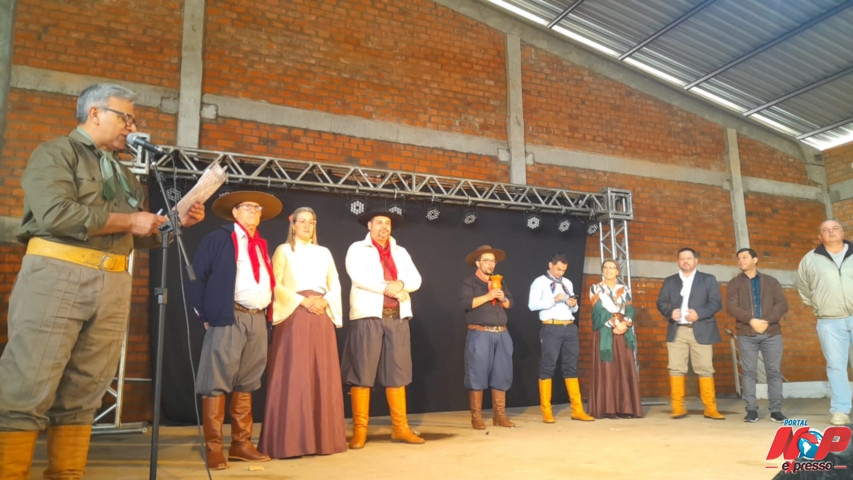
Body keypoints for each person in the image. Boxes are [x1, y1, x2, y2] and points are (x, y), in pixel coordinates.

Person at [0, 83, 204, 479]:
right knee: (28, 383)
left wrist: (175, 223)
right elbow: (56, 214)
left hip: (112, 283)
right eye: (126, 117)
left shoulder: (124, 173)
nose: (133, 127)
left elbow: (132, 235)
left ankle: (67, 474)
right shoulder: (56, 153)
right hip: (57, 276)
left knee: (86, 390)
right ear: (95, 113)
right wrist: (129, 220)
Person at [189, 190, 282, 470]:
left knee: (248, 381)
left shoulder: (260, 244)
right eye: (247, 207)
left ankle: (241, 444)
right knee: (216, 380)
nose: (254, 211)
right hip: (229, 316)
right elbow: (197, 277)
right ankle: (213, 447)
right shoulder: (218, 239)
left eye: (257, 208)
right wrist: (205, 313)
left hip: (257, 318)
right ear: (235, 212)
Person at [258, 207, 347, 458]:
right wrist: (302, 301)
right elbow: (275, 283)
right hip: (294, 315)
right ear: (293, 225)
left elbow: (335, 283)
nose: (307, 226)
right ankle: (291, 442)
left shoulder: (324, 252)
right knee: (295, 374)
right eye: (302, 222)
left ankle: (323, 440)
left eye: (311, 222)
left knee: (321, 373)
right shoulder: (283, 250)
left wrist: (325, 300)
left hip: (320, 315)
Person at [340, 208, 424, 448]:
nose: (384, 227)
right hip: (368, 317)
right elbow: (358, 277)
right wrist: (392, 288)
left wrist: (401, 283)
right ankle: (359, 431)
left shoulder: (401, 252)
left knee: (397, 372)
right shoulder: (357, 248)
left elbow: (416, 279)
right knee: (362, 372)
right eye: (379, 222)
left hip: (397, 317)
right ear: (369, 225)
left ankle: (400, 428)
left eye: (387, 223)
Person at [656, 247, 725, 420]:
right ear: (678, 262)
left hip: (701, 328)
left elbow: (716, 303)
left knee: (705, 368)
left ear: (696, 261)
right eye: (682, 259)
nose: (685, 261)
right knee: (676, 368)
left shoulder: (708, 279)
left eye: (688, 258)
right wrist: (669, 312)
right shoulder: (670, 281)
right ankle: (678, 407)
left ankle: (710, 408)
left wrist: (699, 314)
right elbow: (661, 302)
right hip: (677, 330)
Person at [797, 220, 853, 426]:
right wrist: (821, 305)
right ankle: (840, 410)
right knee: (836, 367)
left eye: (835, 228)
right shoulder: (810, 259)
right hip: (829, 321)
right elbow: (803, 288)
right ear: (820, 236)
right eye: (825, 230)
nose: (831, 232)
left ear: (843, 232)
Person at [528, 252, 594, 423]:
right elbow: (532, 305)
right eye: (558, 269)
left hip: (570, 327)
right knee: (548, 366)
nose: (561, 273)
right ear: (550, 265)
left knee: (571, 367)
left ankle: (577, 410)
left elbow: (573, 308)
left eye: (564, 270)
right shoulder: (539, 282)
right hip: (551, 327)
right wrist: (554, 299)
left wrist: (573, 304)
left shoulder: (567, 283)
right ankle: (547, 411)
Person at [727, 248, 788, 423]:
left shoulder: (771, 281)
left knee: (774, 372)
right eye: (738, 258)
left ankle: (776, 410)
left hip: (772, 333)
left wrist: (766, 321)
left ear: (755, 260)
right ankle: (751, 410)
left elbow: (781, 304)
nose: (740, 260)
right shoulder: (734, 283)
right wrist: (751, 320)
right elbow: (731, 307)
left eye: (744, 257)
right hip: (746, 334)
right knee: (748, 373)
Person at [460, 245, 516, 429]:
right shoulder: (469, 281)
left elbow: (510, 304)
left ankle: (499, 416)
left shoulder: (499, 281)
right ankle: (476, 417)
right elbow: (465, 303)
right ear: (478, 263)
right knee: (477, 374)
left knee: (502, 373)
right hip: (480, 333)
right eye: (487, 260)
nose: (491, 264)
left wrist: (502, 298)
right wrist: (488, 295)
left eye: (493, 261)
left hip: (502, 333)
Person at [588, 259, 643, 419]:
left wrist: (625, 324)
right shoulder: (596, 288)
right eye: (605, 267)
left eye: (612, 268)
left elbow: (630, 309)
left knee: (623, 367)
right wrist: (616, 324)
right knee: (607, 368)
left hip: (622, 332)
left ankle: (625, 408)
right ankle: (608, 409)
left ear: (618, 271)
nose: (608, 270)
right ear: (602, 270)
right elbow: (598, 310)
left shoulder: (624, 289)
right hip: (605, 331)